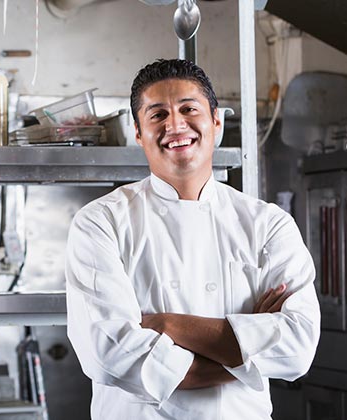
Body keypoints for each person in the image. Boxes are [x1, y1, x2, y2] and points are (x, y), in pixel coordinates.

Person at [65, 59, 320, 420]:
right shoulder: (100, 222)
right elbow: (110, 355)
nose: (175, 124)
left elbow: (297, 349)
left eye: (188, 109)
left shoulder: (268, 224)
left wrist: (166, 325)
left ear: (216, 121)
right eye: (157, 115)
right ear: (139, 133)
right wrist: (246, 353)